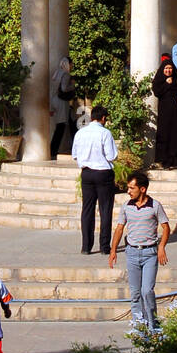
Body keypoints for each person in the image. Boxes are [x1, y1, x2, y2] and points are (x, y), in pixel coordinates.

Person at [109, 171, 170, 333]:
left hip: (150, 253)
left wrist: (162, 247)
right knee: (135, 292)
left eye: (131, 188)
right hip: (132, 253)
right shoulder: (126, 206)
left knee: (147, 290)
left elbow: (165, 227)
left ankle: (152, 322)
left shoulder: (155, 206)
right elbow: (119, 228)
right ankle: (139, 323)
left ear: (142, 189)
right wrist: (113, 250)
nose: (128, 191)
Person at [71, 104, 117, 255]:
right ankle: (104, 246)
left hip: (87, 173)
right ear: (103, 118)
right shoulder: (105, 133)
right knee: (105, 209)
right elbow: (111, 156)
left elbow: (75, 155)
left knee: (87, 210)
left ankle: (86, 246)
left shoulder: (80, 133)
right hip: (103, 173)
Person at [152, 59, 177, 168]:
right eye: (166, 68)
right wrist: (167, 84)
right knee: (165, 135)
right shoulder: (159, 80)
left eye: (170, 68)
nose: (168, 70)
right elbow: (157, 92)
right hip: (165, 115)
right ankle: (165, 161)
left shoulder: (176, 79)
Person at [50, 56, 77, 159]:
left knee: (71, 122)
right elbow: (64, 88)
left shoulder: (57, 73)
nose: (72, 66)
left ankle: (75, 147)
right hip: (62, 102)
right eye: (71, 64)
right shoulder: (65, 74)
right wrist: (73, 85)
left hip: (55, 101)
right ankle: (53, 150)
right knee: (61, 126)